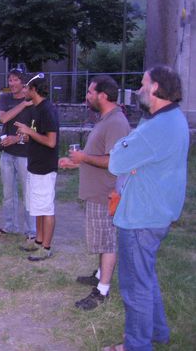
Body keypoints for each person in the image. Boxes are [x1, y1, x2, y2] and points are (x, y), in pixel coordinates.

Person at [105, 66, 189, 351]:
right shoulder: (174, 118)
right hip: (158, 213)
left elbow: (116, 160)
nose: (139, 89)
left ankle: (137, 345)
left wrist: (123, 146)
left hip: (141, 218)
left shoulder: (155, 128)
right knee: (146, 276)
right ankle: (157, 332)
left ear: (155, 88)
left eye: (143, 84)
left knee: (134, 287)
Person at [59, 75, 130, 310]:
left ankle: (103, 291)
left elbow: (115, 161)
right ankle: (100, 274)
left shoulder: (117, 123)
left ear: (103, 95)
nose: (86, 96)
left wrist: (83, 157)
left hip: (106, 194)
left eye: (90, 92)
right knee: (101, 239)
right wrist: (76, 163)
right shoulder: (106, 119)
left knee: (108, 242)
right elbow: (100, 156)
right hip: (97, 193)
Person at [14, 78, 59, 261]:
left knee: (46, 208)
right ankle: (38, 241)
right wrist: (26, 134)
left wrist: (30, 132)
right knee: (38, 207)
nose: (24, 90)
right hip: (34, 165)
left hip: (45, 168)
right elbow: (36, 135)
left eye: (26, 87)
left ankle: (46, 248)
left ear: (33, 89)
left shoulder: (48, 110)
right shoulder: (35, 109)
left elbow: (51, 141)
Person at [0, 68, 36, 240]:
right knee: (8, 193)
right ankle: (10, 226)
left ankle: (31, 231)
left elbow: (35, 130)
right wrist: (22, 104)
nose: (12, 83)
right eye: (10, 80)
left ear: (23, 82)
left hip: (25, 154)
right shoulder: (5, 98)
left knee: (28, 193)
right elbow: (4, 118)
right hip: (7, 154)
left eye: (15, 80)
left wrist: (15, 139)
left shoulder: (33, 102)